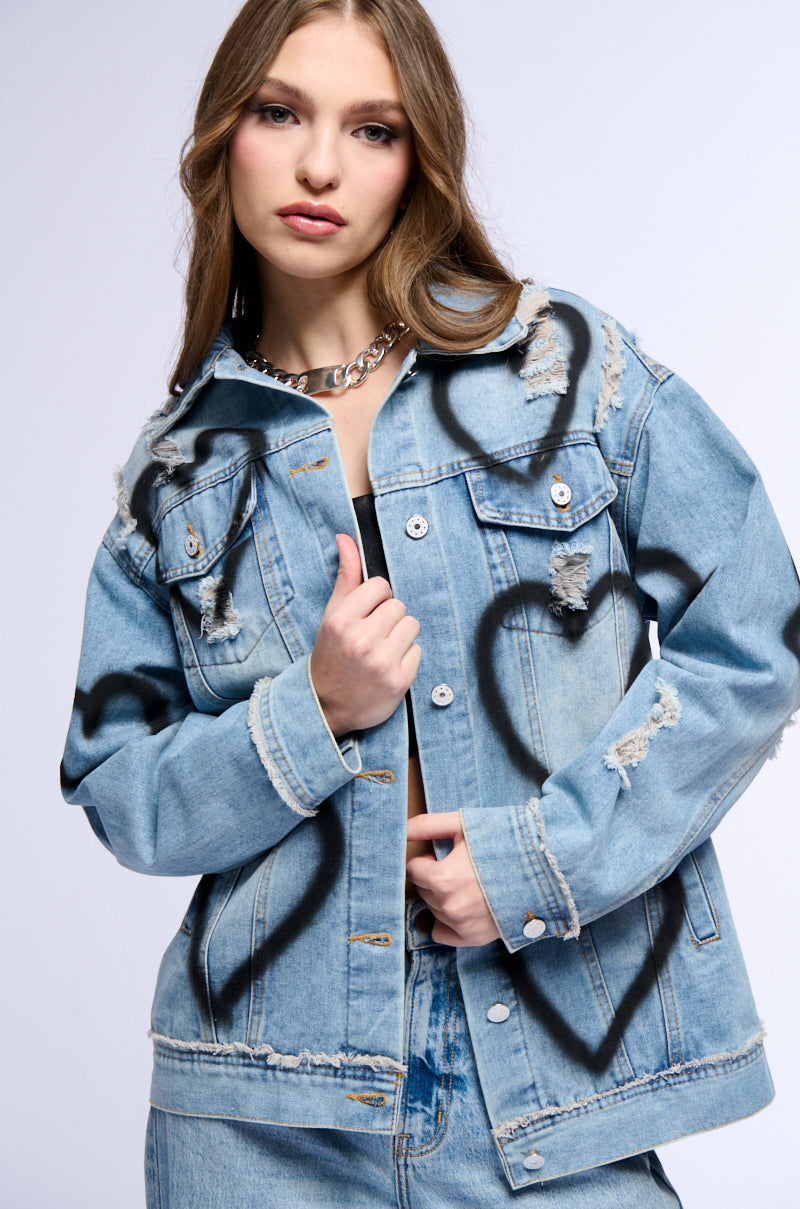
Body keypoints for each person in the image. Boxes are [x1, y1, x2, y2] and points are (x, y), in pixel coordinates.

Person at [60, 0, 800, 1205]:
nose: (318, 165)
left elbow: (755, 635)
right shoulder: (176, 472)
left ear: (418, 161)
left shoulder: (558, 368)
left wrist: (538, 862)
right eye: (279, 113)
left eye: (372, 129)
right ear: (222, 137)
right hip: (262, 1112)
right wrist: (308, 710)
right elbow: (120, 791)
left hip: (551, 1068)